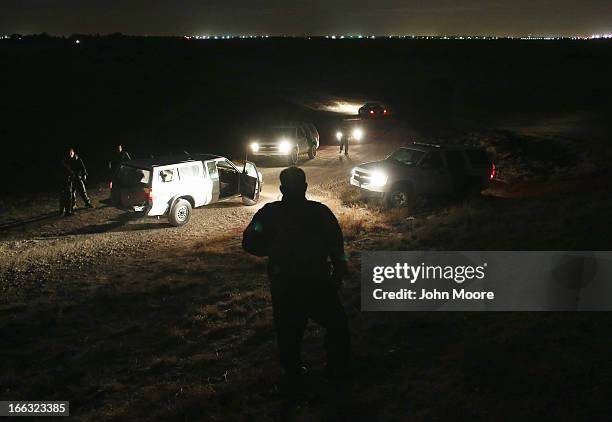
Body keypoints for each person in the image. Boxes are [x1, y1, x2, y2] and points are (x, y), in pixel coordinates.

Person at [242, 166, 350, 389]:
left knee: (289, 333)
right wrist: (338, 273)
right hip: (315, 282)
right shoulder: (320, 212)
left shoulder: (270, 213)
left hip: (288, 285)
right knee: (336, 326)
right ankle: (335, 370)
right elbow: (337, 248)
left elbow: (250, 241)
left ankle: (296, 376)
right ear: (305, 187)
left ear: (281, 188)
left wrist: (272, 249)